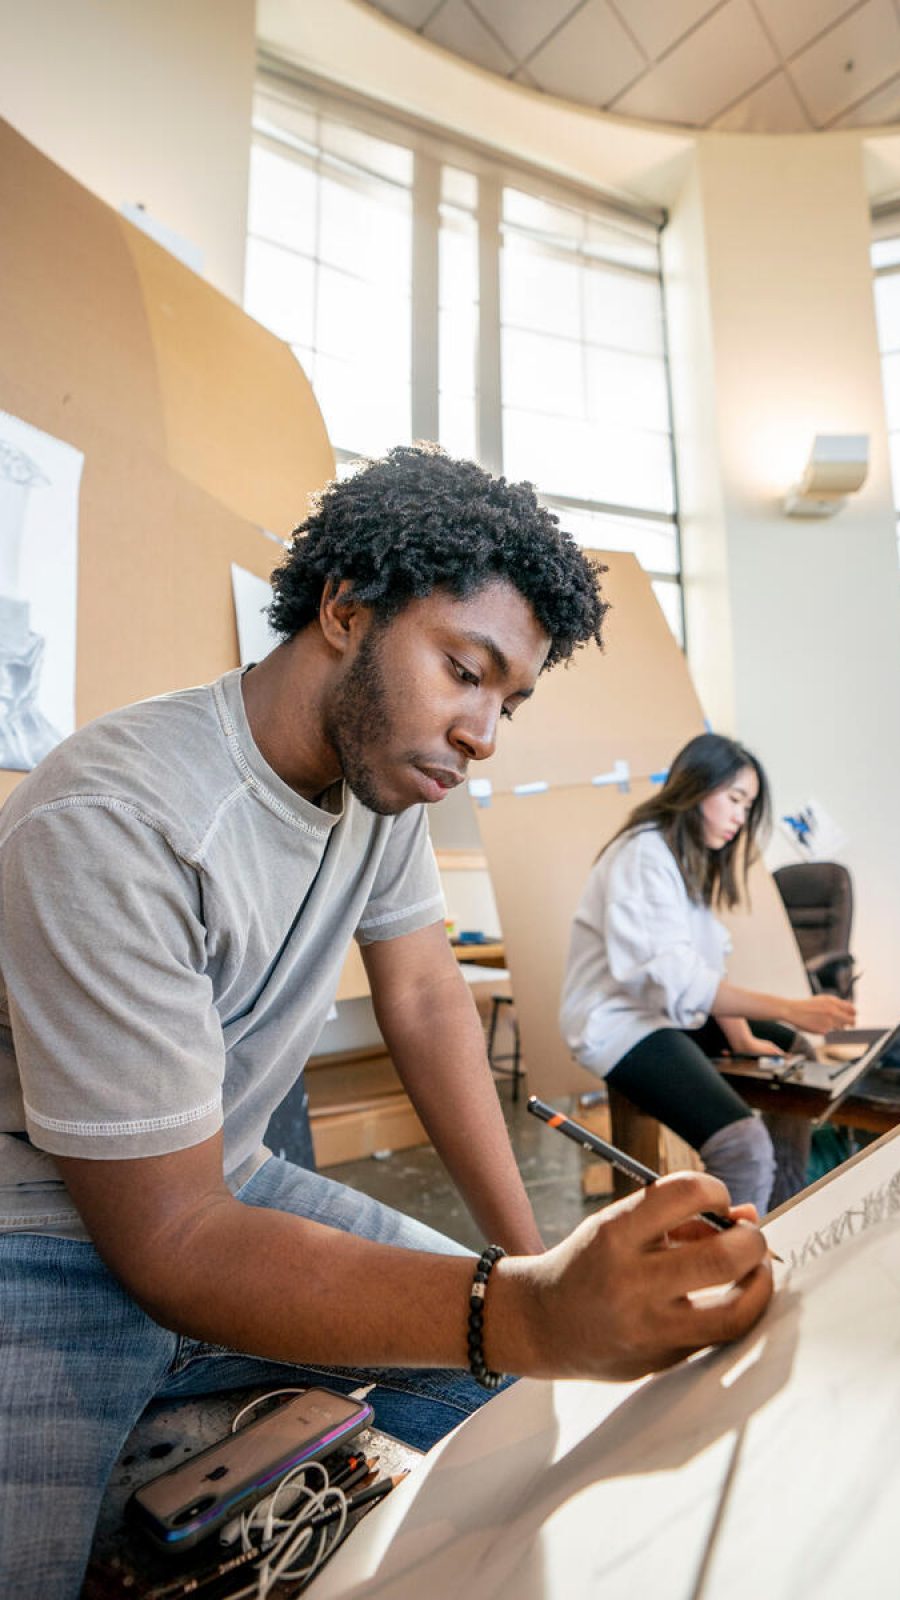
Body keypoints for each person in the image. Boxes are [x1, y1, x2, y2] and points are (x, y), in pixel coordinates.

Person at [0, 448, 773, 1599]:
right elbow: (169, 1243)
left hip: (229, 1183)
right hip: (40, 1235)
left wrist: (530, 1261)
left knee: (507, 1379)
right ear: (345, 607)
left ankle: (197, 1415)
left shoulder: (381, 779)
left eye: (506, 700)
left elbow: (421, 1000)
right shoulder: (118, 818)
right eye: (466, 670)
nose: (484, 733)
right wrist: (530, 1311)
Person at [560, 732, 856, 1214]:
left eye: (748, 805)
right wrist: (791, 1007)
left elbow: (704, 968)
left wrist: (744, 1039)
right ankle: (728, 1272)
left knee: (792, 1052)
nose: (741, 817)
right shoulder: (643, 854)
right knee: (745, 1149)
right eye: (735, 799)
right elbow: (678, 981)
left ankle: (780, 1215)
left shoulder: (685, 862)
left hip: (665, 1014)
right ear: (697, 787)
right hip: (620, 1024)